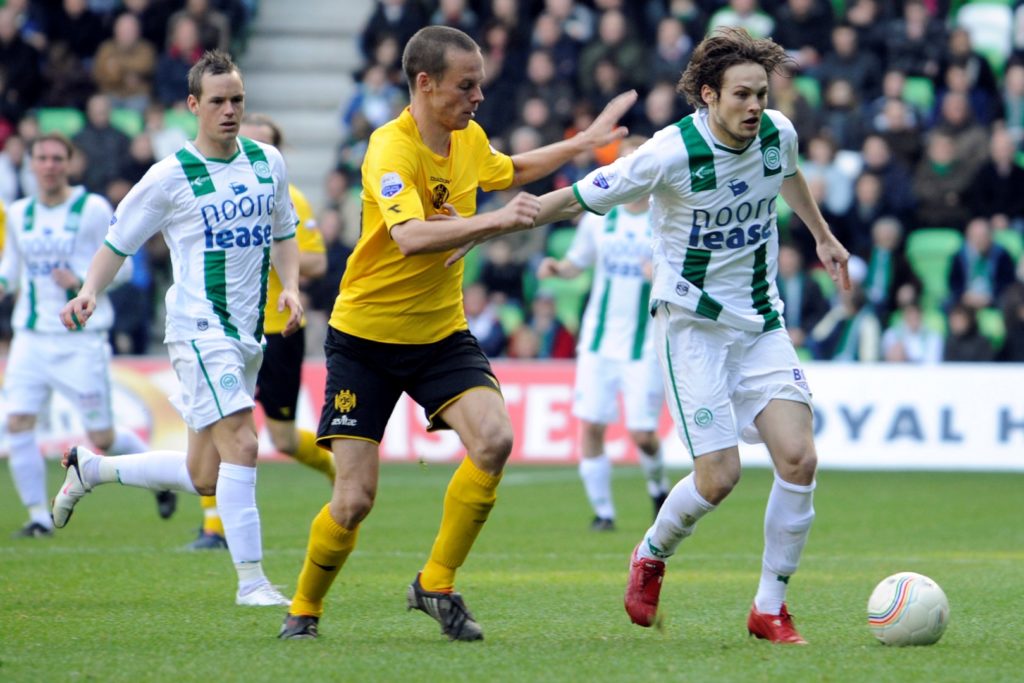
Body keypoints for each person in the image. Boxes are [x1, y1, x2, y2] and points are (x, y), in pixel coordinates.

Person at [277, 25, 635, 641]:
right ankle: (304, 608)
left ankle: (435, 584)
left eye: (480, 85)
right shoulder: (390, 149)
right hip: (365, 340)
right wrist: (493, 224)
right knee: (354, 499)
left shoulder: (467, 138)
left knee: (494, 439)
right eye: (466, 86)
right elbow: (410, 236)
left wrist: (583, 143)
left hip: (441, 334)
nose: (478, 98)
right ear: (425, 83)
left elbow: (511, 170)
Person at [528, 27, 850, 644]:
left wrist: (822, 236)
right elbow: (574, 199)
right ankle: (652, 551)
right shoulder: (667, 154)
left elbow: (787, 173)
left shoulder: (777, 132)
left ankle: (770, 607)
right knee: (719, 477)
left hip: (760, 321)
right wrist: (484, 227)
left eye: (761, 94)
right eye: (741, 95)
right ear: (709, 95)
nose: (755, 107)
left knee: (800, 457)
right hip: (692, 327)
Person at [53, 50, 302, 608]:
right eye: (217, 101)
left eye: (237, 100)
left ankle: (93, 469)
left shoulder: (267, 162)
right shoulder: (170, 176)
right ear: (193, 105)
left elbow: (284, 230)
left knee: (205, 473)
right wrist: (89, 290)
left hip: (246, 334)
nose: (229, 110)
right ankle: (252, 582)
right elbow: (119, 241)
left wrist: (290, 286)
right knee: (243, 443)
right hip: (198, 328)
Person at [0, 133, 174, 539]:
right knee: (18, 422)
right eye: (41, 158)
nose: (49, 165)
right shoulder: (19, 213)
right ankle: (39, 517)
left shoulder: (92, 209)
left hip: (81, 339)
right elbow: (11, 272)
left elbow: (124, 268)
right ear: (31, 164)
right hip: (31, 337)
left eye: (57, 158)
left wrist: (80, 281)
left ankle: (160, 478)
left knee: (102, 438)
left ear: (70, 163)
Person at [188, 112, 333, 550]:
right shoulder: (210, 194)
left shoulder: (292, 199)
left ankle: (341, 472)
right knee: (218, 425)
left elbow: (318, 263)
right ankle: (213, 527)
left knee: (283, 439)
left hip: (278, 330)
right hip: (224, 329)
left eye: (263, 143)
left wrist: (267, 243)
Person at [536, 134, 670, 532]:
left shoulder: (666, 219)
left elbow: (686, 274)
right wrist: (558, 269)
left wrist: (661, 275)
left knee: (642, 434)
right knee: (592, 426)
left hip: (643, 345)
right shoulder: (601, 217)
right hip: (598, 341)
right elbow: (577, 263)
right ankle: (603, 513)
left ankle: (658, 487)